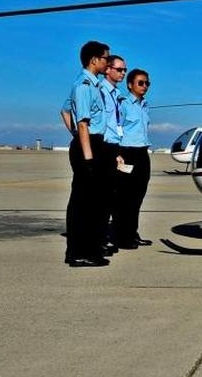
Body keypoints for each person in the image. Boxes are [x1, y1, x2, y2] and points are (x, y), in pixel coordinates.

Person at [63, 41, 110, 268]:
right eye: (105, 59)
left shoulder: (94, 85)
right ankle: (77, 253)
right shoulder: (83, 86)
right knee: (83, 203)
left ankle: (90, 249)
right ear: (94, 60)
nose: (107, 63)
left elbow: (64, 109)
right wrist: (88, 157)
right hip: (88, 146)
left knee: (94, 203)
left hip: (93, 144)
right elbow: (82, 124)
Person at [114, 68, 153, 248]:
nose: (144, 86)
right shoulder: (122, 104)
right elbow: (116, 128)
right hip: (127, 152)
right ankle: (122, 237)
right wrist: (118, 153)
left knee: (138, 196)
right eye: (140, 83)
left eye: (147, 83)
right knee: (124, 197)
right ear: (130, 85)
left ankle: (132, 233)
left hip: (142, 153)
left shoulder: (145, 105)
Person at [97, 55, 128, 255]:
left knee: (111, 198)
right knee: (101, 199)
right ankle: (99, 240)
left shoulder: (115, 94)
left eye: (124, 70)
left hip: (113, 148)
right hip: (103, 146)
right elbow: (66, 110)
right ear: (107, 69)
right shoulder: (98, 90)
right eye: (119, 69)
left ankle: (104, 238)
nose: (122, 73)